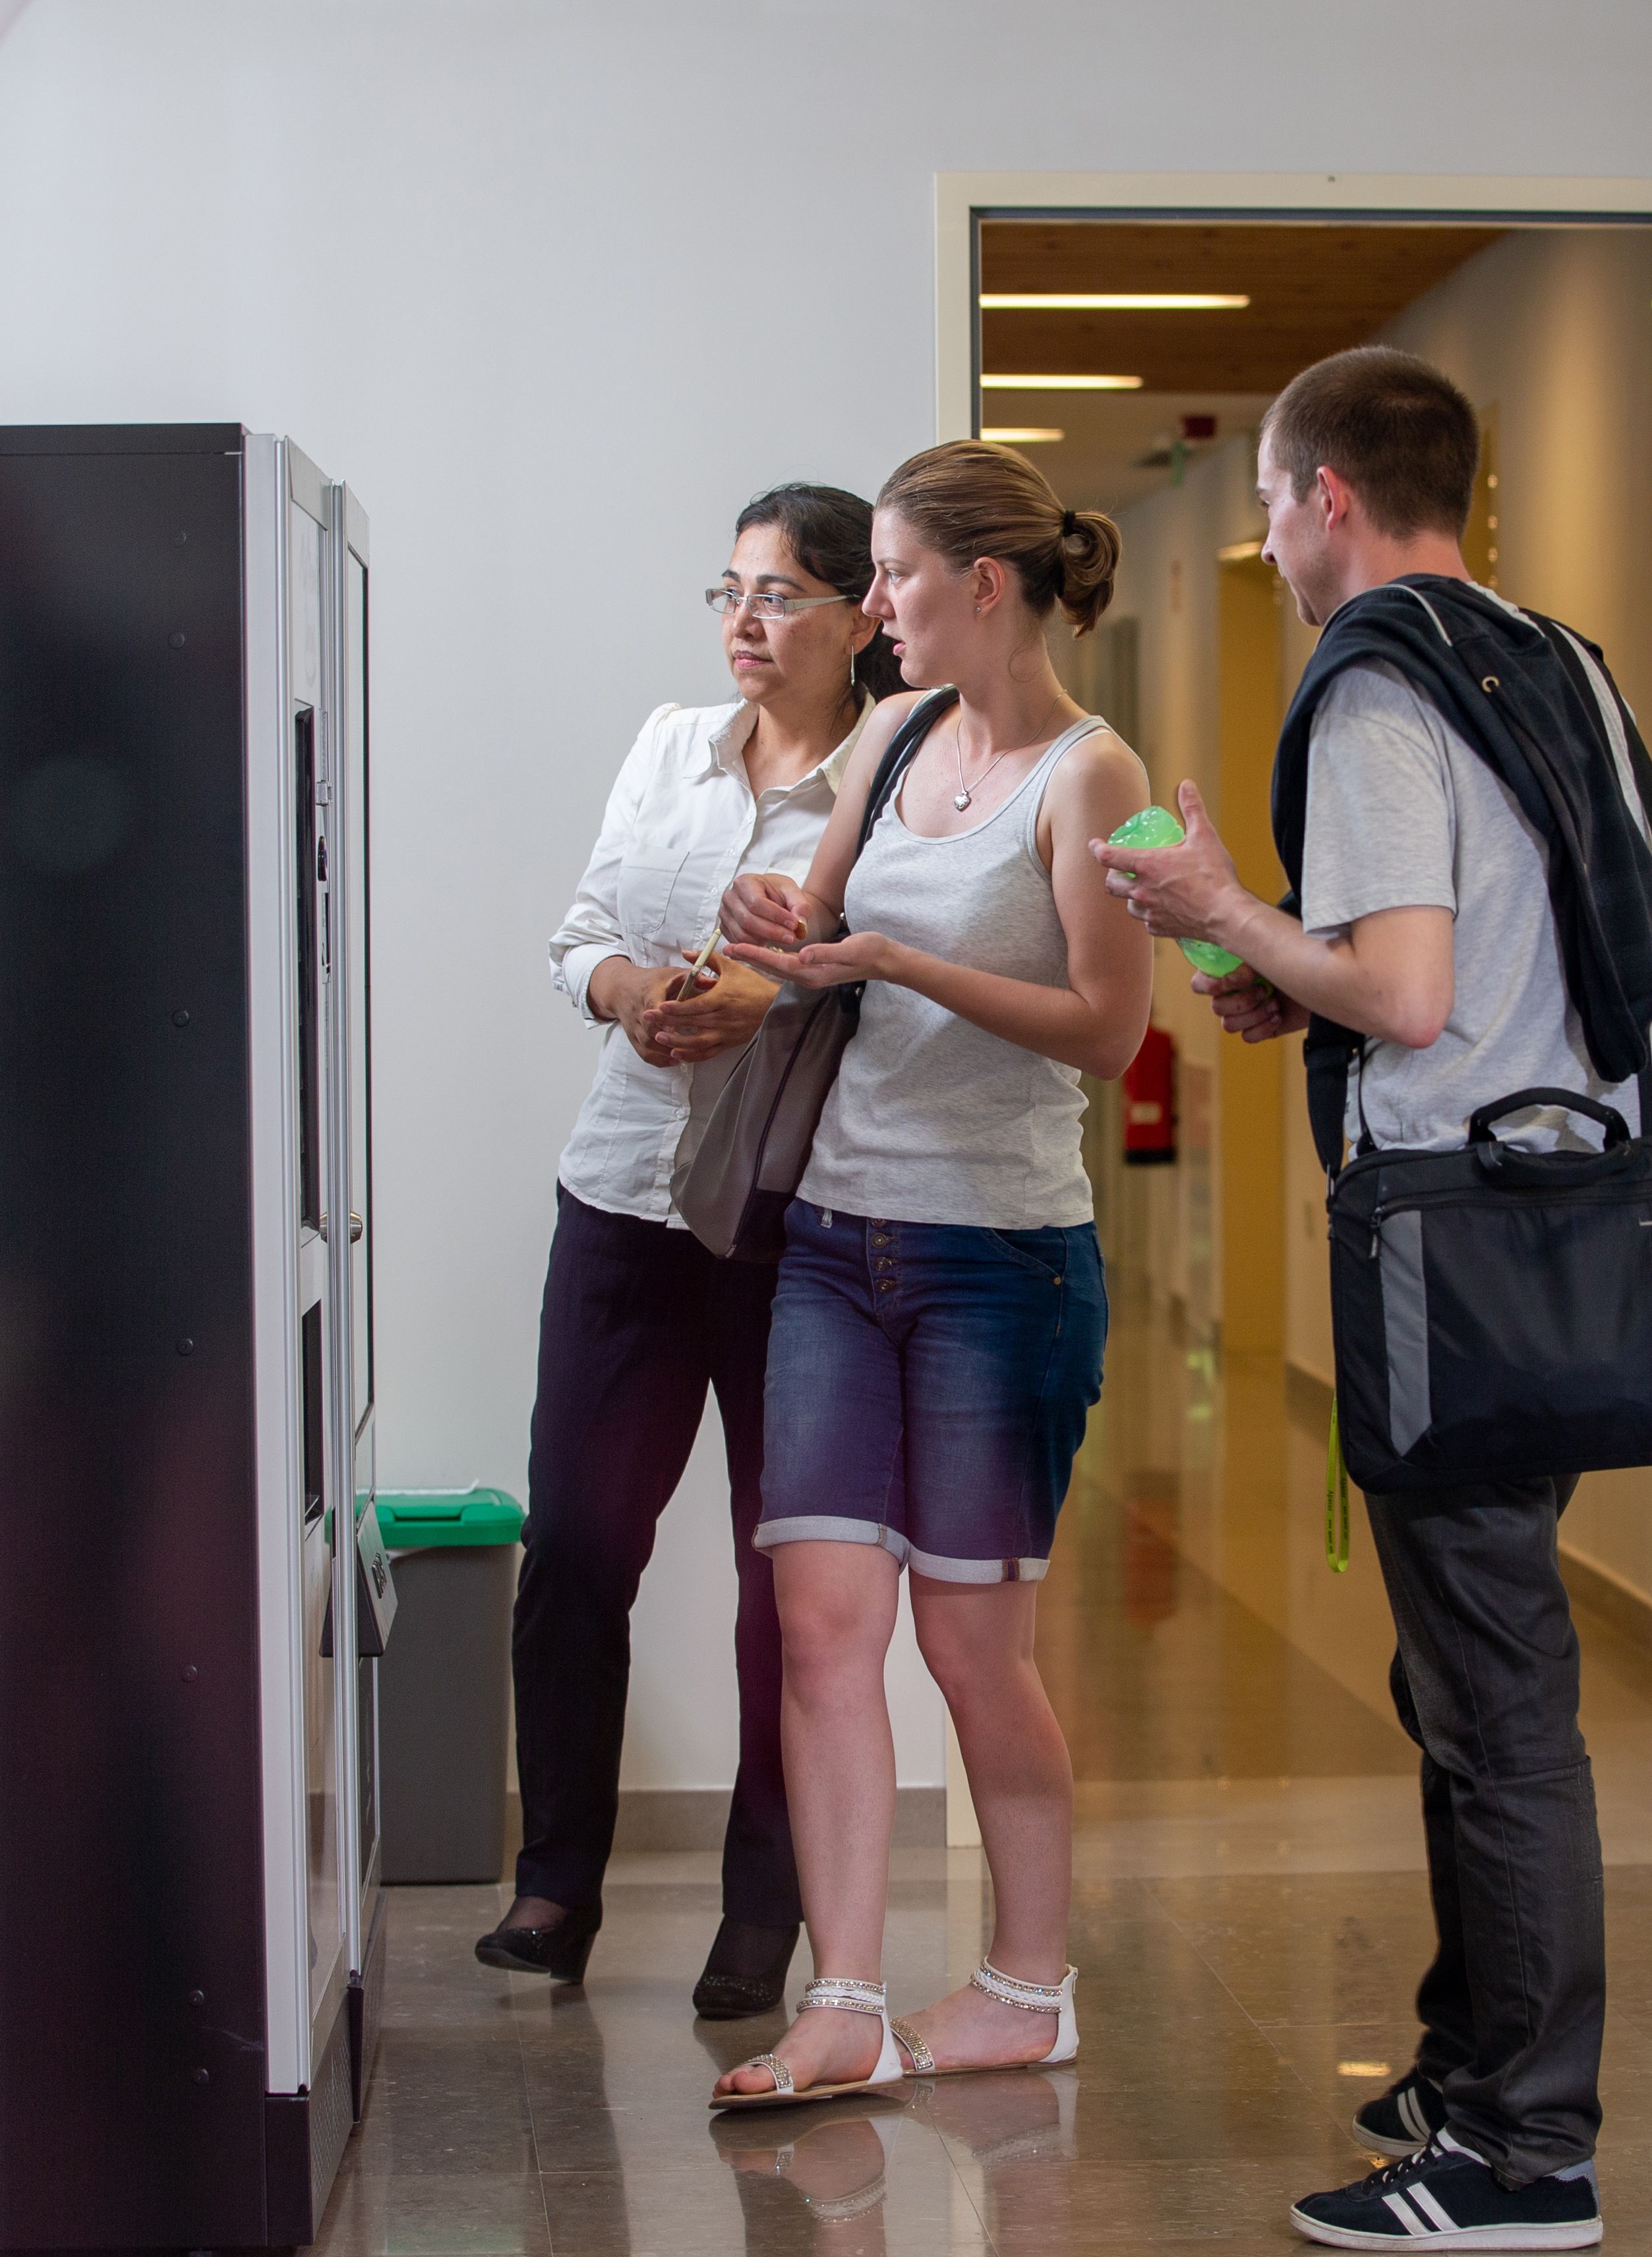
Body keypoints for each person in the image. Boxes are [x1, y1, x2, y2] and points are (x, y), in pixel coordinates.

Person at [1097, 347, 1652, 2252]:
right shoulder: (1547, 655)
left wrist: (1216, 915)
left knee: (1493, 1701)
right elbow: (1521, 961)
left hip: (1447, 1242)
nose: (1263, 542)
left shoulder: (1369, 684)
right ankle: (1466, 2062)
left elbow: (1412, 999)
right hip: (1566, 1225)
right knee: (1466, 1675)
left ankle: (1526, 2154)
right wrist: (1305, 973)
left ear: (1326, 494)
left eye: (1266, 503)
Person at [706, 440, 1150, 2107]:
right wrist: (779, 923)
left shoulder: (1090, 776)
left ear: (985, 582)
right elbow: (819, 934)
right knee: (822, 1625)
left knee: (973, 1645)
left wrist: (899, 957)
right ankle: (841, 2001)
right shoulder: (891, 738)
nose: (869, 605)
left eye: (890, 575)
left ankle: (1028, 1983)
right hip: (833, 1236)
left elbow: (1111, 1031)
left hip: (1000, 1263)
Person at [485, 484, 908, 2020]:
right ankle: (556, 1884)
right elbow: (581, 924)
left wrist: (769, 997)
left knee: (776, 1586)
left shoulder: (900, 765)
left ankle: (760, 1915)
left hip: (793, 1221)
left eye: (784, 593)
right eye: (729, 589)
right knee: (579, 1545)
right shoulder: (673, 744)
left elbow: (905, 980)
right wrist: (628, 997)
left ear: (867, 611)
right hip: (623, 1194)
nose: (746, 620)